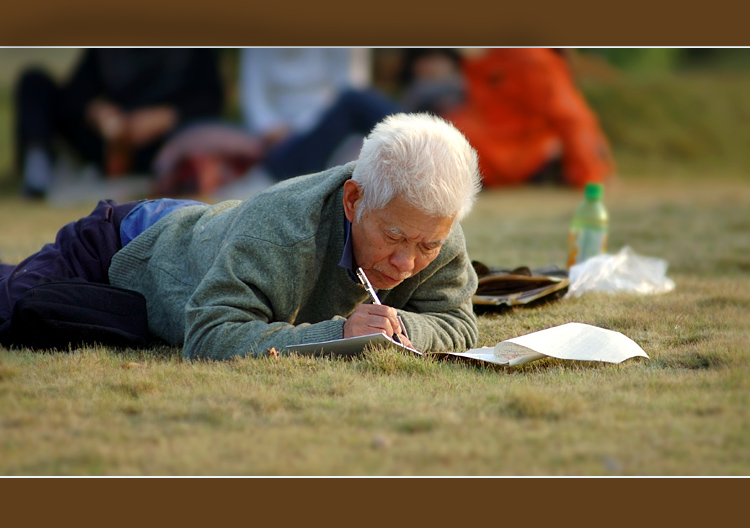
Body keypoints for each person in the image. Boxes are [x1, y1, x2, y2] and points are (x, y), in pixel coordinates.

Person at [0, 113, 482, 359]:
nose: (406, 263)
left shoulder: (432, 221)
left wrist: (400, 328)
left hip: (213, 234)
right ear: (354, 201)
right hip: (124, 246)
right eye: (395, 238)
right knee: (16, 309)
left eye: (427, 246)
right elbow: (210, 336)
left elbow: (459, 324)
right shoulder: (282, 231)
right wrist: (340, 334)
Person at [14, 48, 224, 197]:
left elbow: (211, 97)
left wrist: (167, 116)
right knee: (34, 81)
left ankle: (180, 179)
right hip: (111, 141)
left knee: (199, 138)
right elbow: (75, 94)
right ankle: (38, 171)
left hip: (167, 144)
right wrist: (96, 112)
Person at [444, 48, 615, 187]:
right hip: (490, 153)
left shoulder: (531, 60)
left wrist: (591, 176)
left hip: (526, 156)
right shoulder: (484, 60)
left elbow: (571, 118)